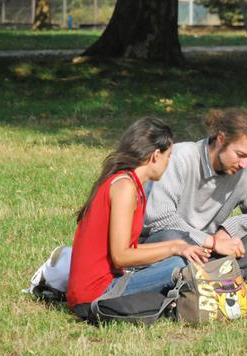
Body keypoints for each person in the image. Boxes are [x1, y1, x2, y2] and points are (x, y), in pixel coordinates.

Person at [67, 117, 210, 319]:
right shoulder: (125, 187)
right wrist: (174, 247)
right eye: (168, 156)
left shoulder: (127, 183)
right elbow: (121, 256)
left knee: (179, 256)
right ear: (155, 156)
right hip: (97, 294)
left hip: (98, 287)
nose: (169, 162)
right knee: (180, 263)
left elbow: (127, 251)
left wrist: (177, 245)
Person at [140, 108, 247, 278]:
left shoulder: (246, 171)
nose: (244, 164)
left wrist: (227, 231)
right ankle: (219, 273)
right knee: (170, 236)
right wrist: (211, 242)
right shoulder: (180, 158)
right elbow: (159, 219)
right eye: (240, 155)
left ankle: (199, 275)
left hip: (209, 249)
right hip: (168, 242)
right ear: (221, 140)